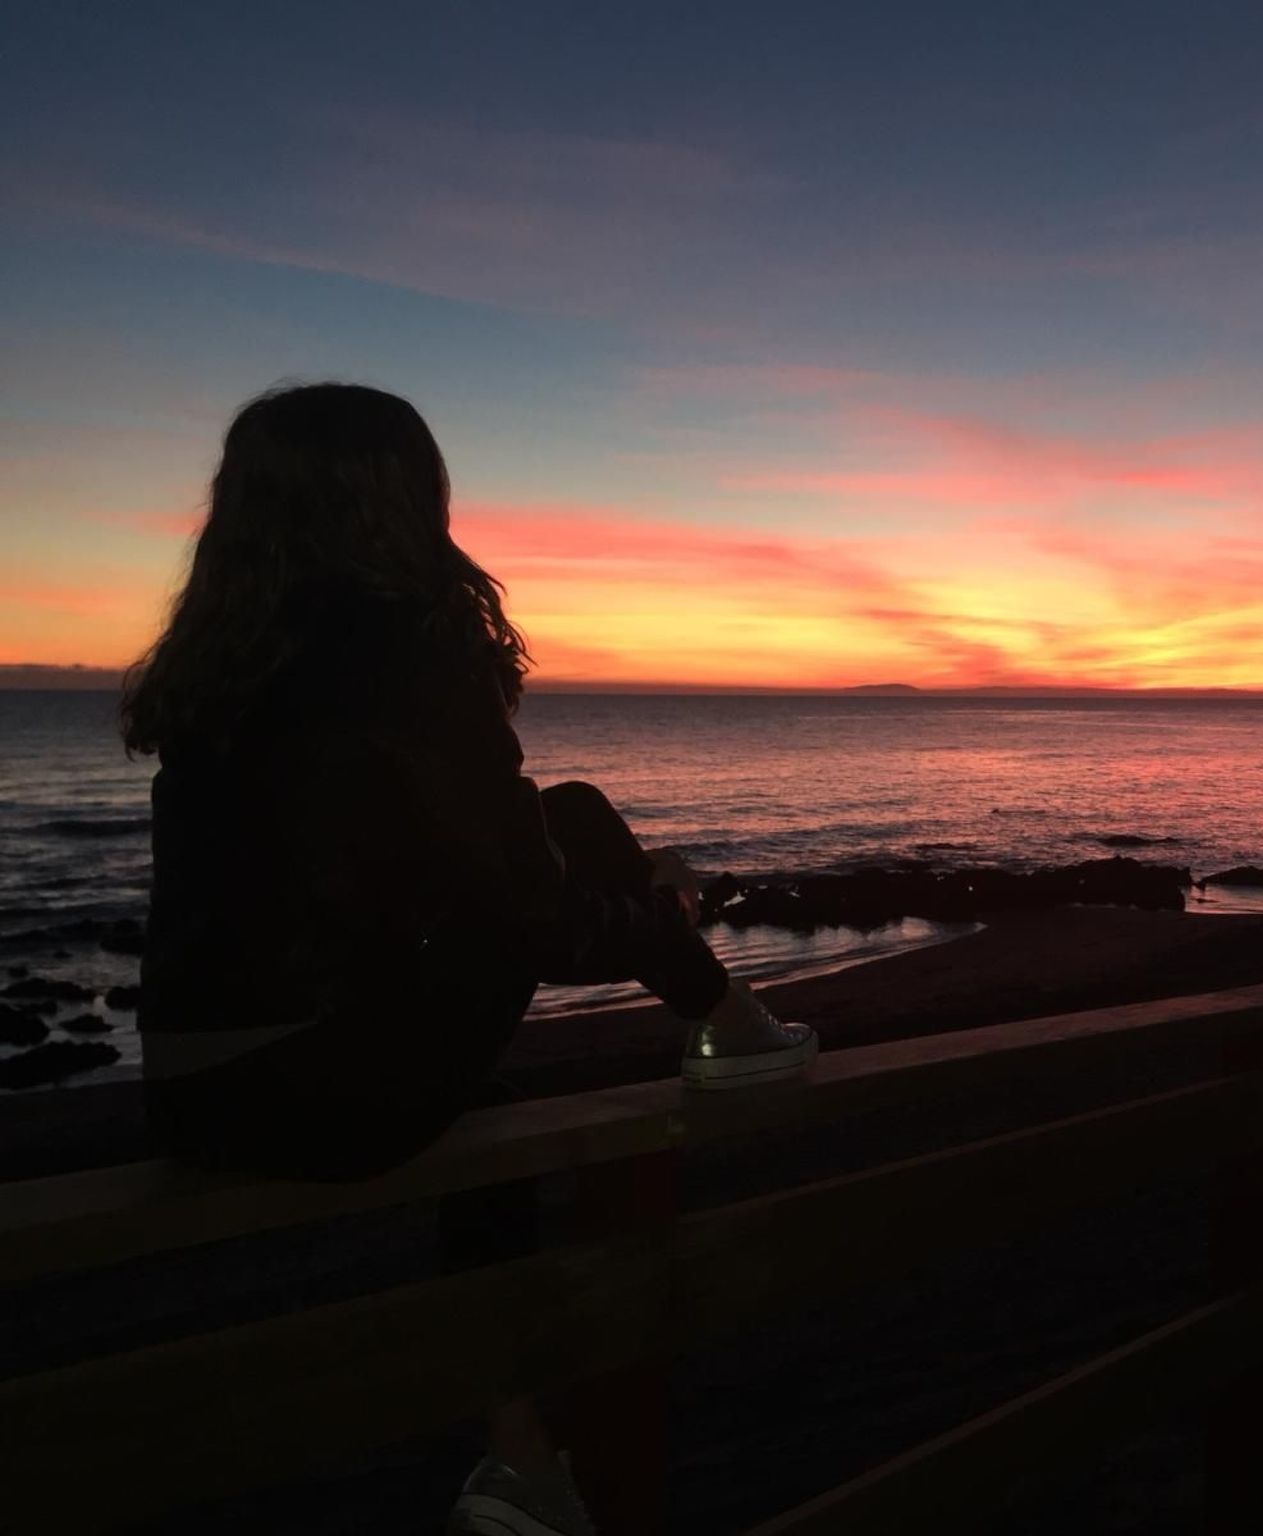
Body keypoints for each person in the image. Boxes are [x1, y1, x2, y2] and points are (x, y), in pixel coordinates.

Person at [120, 382, 816, 1535]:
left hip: (191, 1093)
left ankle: (518, 1459)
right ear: (410, 502)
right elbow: (532, 929)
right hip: (335, 1094)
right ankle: (730, 1022)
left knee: (490, 1096)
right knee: (568, 831)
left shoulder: (220, 674)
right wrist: (655, 912)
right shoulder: (417, 649)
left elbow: (338, 882)